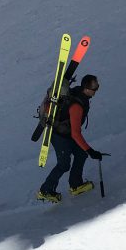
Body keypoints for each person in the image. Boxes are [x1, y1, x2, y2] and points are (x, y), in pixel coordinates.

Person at [37, 74, 104, 203]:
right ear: (87, 88)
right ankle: (45, 191)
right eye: (95, 87)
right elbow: (76, 134)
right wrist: (90, 151)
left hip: (66, 133)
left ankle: (76, 185)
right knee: (64, 165)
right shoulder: (77, 107)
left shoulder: (80, 93)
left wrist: (86, 151)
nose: (96, 90)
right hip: (59, 135)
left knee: (80, 154)